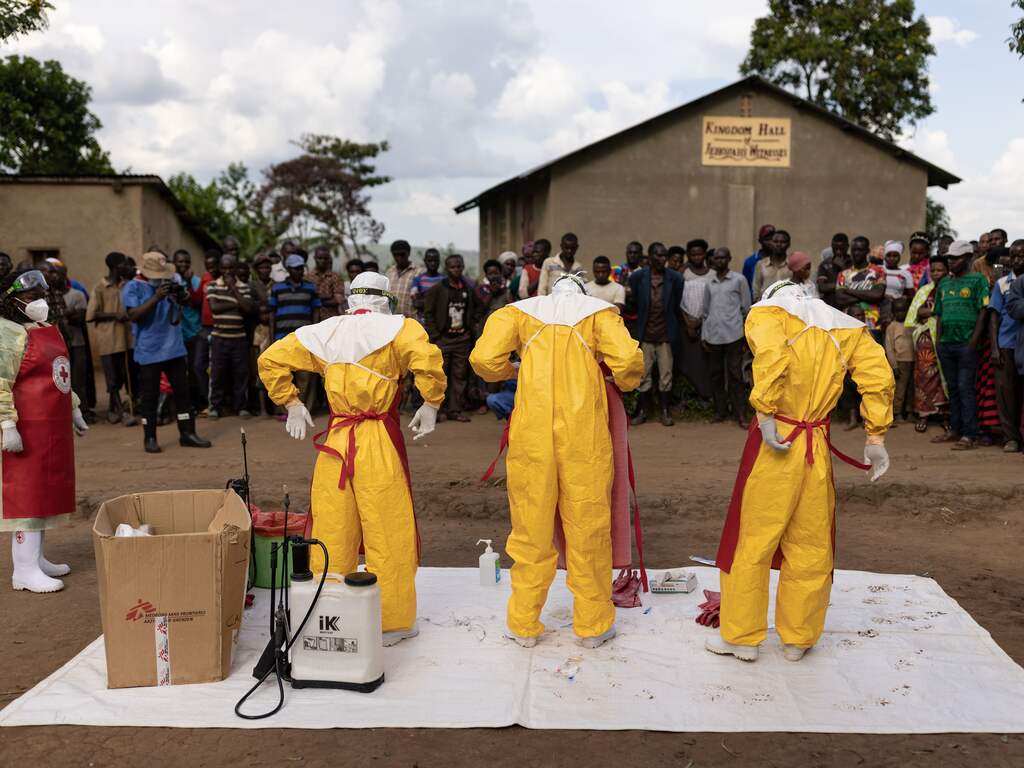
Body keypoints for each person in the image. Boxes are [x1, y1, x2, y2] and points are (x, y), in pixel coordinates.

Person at [708, 280, 893, 663]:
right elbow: (879, 379)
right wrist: (875, 438)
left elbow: (773, 358)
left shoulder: (768, 315)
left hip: (777, 440)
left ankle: (742, 637)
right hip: (817, 443)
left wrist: (765, 411)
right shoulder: (845, 327)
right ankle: (799, 638)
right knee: (810, 544)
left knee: (752, 541)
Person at [258, 271, 446, 646]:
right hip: (377, 439)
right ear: (384, 298)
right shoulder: (401, 329)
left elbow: (270, 359)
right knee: (387, 529)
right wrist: (431, 401)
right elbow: (428, 361)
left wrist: (292, 403)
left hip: (337, 440)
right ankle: (393, 622)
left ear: (351, 298)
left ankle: (330, 614)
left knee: (332, 529)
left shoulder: (324, 331)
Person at [470, 272, 644, 649]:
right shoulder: (598, 313)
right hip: (584, 435)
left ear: (550, 291)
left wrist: (510, 370)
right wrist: (620, 379)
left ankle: (523, 622)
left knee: (530, 527)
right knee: (588, 524)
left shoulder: (518, 313)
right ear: (581, 292)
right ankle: (593, 625)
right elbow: (629, 360)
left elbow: (484, 358)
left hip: (531, 434)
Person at [1, 269, 90, 593]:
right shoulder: (7, 333)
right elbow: (0, 382)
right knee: (25, 495)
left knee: (45, 491)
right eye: (28, 297)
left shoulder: (44, 329)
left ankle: (36, 558)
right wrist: (6, 424)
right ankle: (23, 569)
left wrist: (74, 407)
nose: (37, 301)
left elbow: (60, 376)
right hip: (26, 425)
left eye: (40, 295)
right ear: (13, 301)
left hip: (51, 426)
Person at [123, 252, 212, 454]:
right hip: (149, 349)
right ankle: (150, 437)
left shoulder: (169, 282)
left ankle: (187, 433)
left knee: (183, 394)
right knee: (150, 396)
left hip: (174, 347)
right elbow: (133, 315)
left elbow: (184, 307)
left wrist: (181, 295)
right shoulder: (133, 286)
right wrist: (156, 297)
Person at [932, 240, 990, 450]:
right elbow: (939, 314)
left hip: (967, 344)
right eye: (949, 258)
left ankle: (969, 434)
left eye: (955, 258)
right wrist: (938, 342)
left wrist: (974, 341)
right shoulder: (944, 284)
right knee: (953, 388)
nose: (951, 261)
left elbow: (983, 312)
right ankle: (954, 429)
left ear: (966, 258)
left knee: (966, 388)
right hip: (946, 345)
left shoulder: (978, 280)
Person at [628, 242, 684, 426]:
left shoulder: (675, 279)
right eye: (658, 255)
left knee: (666, 374)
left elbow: (675, 305)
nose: (662, 259)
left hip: (665, 334)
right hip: (645, 334)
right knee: (643, 375)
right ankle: (644, 411)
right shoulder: (638, 278)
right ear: (650, 256)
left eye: (664, 256)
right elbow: (636, 302)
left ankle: (665, 412)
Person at [424, 254, 481, 422]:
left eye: (458, 266)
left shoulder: (467, 288)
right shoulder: (438, 289)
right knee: (439, 376)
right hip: (443, 339)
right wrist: (435, 335)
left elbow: (478, 307)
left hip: (462, 339)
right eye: (452, 267)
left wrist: (470, 328)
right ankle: (437, 410)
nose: (455, 270)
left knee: (459, 375)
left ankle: (455, 410)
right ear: (446, 269)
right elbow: (428, 312)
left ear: (463, 267)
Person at [701, 247, 751, 427]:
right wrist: (704, 336)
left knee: (736, 375)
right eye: (716, 258)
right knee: (716, 375)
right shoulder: (710, 283)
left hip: (734, 335)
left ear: (729, 259)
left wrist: (746, 334)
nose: (719, 261)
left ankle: (740, 414)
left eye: (723, 258)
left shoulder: (739, 280)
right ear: (713, 260)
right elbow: (705, 312)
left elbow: (746, 308)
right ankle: (720, 412)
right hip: (713, 336)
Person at [87, 252, 137, 425]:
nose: (128, 267)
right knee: (112, 378)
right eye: (124, 264)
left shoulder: (126, 285)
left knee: (123, 375)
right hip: (108, 340)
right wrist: (115, 315)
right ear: (117, 267)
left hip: (126, 339)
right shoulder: (99, 288)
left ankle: (112, 409)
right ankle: (123, 414)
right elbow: (91, 314)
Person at [269, 254, 322, 413]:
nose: (299, 271)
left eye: (301, 268)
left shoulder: (310, 288)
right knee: (283, 376)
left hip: (303, 339)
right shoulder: (277, 288)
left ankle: (305, 409)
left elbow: (316, 312)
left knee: (305, 376)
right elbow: (272, 314)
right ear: (288, 269)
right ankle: (285, 410)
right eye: (295, 268)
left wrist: (315, 335)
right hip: (282, 338)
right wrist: (272, 338)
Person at [206, 254, 255, 419]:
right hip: (219, 337)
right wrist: (236, 303)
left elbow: (248, 309)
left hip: (239, 338)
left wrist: (233, 290)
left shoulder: (243, 287)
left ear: (235, 269)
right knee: (217, 374)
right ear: (220, 269)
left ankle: (241, 407)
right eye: (224, 268)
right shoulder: (213, 285)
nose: (227, 271)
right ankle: (215, 406)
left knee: (241, 374)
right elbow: (214, 308)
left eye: (230, 268)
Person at [905, 255, 950, 433]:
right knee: (923, 377)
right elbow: (916, 313)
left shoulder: (951, 289)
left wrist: (929, 312)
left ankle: (945, 415)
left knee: (944, 376)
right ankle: (923, 415)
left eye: (940, 270)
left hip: (945, 336)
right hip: (926, 341)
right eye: (933, 271)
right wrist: (934, 311)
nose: (937, 274)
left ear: (947, 271)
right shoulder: (925, 290)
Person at [989, 240, 1024, 452]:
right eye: (1013, 256)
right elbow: (993, 316)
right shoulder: (1002, 284)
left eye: (1022, 256)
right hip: (1006, 344)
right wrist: (994, 347)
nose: (1017, 260)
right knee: (1006, 394)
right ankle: (1011, 437)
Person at [835, 236, 886, 338]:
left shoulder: (878, 272)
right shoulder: (843, 274)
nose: (856, 253)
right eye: (854, 250)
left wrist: (849, 290)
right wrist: (867, 295)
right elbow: (840, 299)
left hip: (872, 324)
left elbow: (877, 295)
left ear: (867, 251)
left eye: (860, 250)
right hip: (848, 324)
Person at [194, 248, 222, 413]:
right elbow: (197, 299)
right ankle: (207, 400)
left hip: (220, 328)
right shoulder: (204, 277)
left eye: (213, 266)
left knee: (217, 368)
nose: (210, 269)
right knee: (198, 365)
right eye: (207, 266)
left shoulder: (224, 280)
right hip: (204, 327)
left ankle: (216, 404)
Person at [885, 297, 914, 422]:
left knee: (912, 390)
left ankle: (911, 412)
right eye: (897, 311)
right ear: (893, 312)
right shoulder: (892, 327)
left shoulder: (913, 325)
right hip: (900, 362)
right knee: (900, 390)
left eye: (903, 311)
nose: (900, 313)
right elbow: (889, 348)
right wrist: (894, 365)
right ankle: (897, 413)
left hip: (914, 360)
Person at [752, 229, 791, 302]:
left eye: (783, 242)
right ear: (771, 243)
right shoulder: (761, 265)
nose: (779, 244)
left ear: (789, 244)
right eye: (775, 241)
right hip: (766, 309)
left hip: (787, 309)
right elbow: (756, 291)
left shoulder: (792, 265)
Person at [613, 241, 644, 333]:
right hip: (620, 317)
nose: (632, 255)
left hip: (638, 318)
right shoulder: (617, 270)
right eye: (630, 252)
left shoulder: (644, 273)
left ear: (641, 254)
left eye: (635, 253)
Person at [385, 240, 420, 319]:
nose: (399, 258)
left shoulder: (418, 272)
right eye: (396, 255)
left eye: (402, 254)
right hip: (391, 320)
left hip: (411, 320)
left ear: (408, 253)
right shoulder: (389, 272)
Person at [309, 245, 345, 319]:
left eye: (325, 258)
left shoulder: (335, 277)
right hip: (311, 319)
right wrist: (327, 297)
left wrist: (316, 301)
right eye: (320, 258)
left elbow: (338, 299)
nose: (322, 261)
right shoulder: (308, 277)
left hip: (330, 318)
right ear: (314, 258)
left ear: (329, 259)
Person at [476, 258, 514, 328]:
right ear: (486, 276)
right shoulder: (481, 289)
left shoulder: (506, 291)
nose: (493, 276)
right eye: (490, 274)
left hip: (502, 326)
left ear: (500, 274)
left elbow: (512, 309)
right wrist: (492, 293)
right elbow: (480, 310)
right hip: (486, 326)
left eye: (496, 273)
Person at [816, 233, 851, 308]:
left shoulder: (853, 263)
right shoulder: (825, 264)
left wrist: (843, 268)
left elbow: (854, 284)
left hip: (848, 305)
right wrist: (842, 285)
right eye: (835, 249)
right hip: (830, 306)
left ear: (847, 247)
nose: (838, 252)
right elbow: (822, 287)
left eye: (841, 249)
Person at [411, 248, 445, 321]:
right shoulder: (418, 280)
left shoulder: (445, 280)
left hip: (441, 322)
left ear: (439, 261)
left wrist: (425, 302)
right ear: (425, 261)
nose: (433, 263)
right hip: (423, 322)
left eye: (435, 261)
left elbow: (447, 302)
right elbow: (416, 303)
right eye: (430, 261)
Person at [742, 225, 776, 292]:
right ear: (760, 241)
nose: (770, 242)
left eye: (773, 239)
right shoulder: (750, 262)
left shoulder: (781, 260)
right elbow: (747, 286)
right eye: (767, 239)